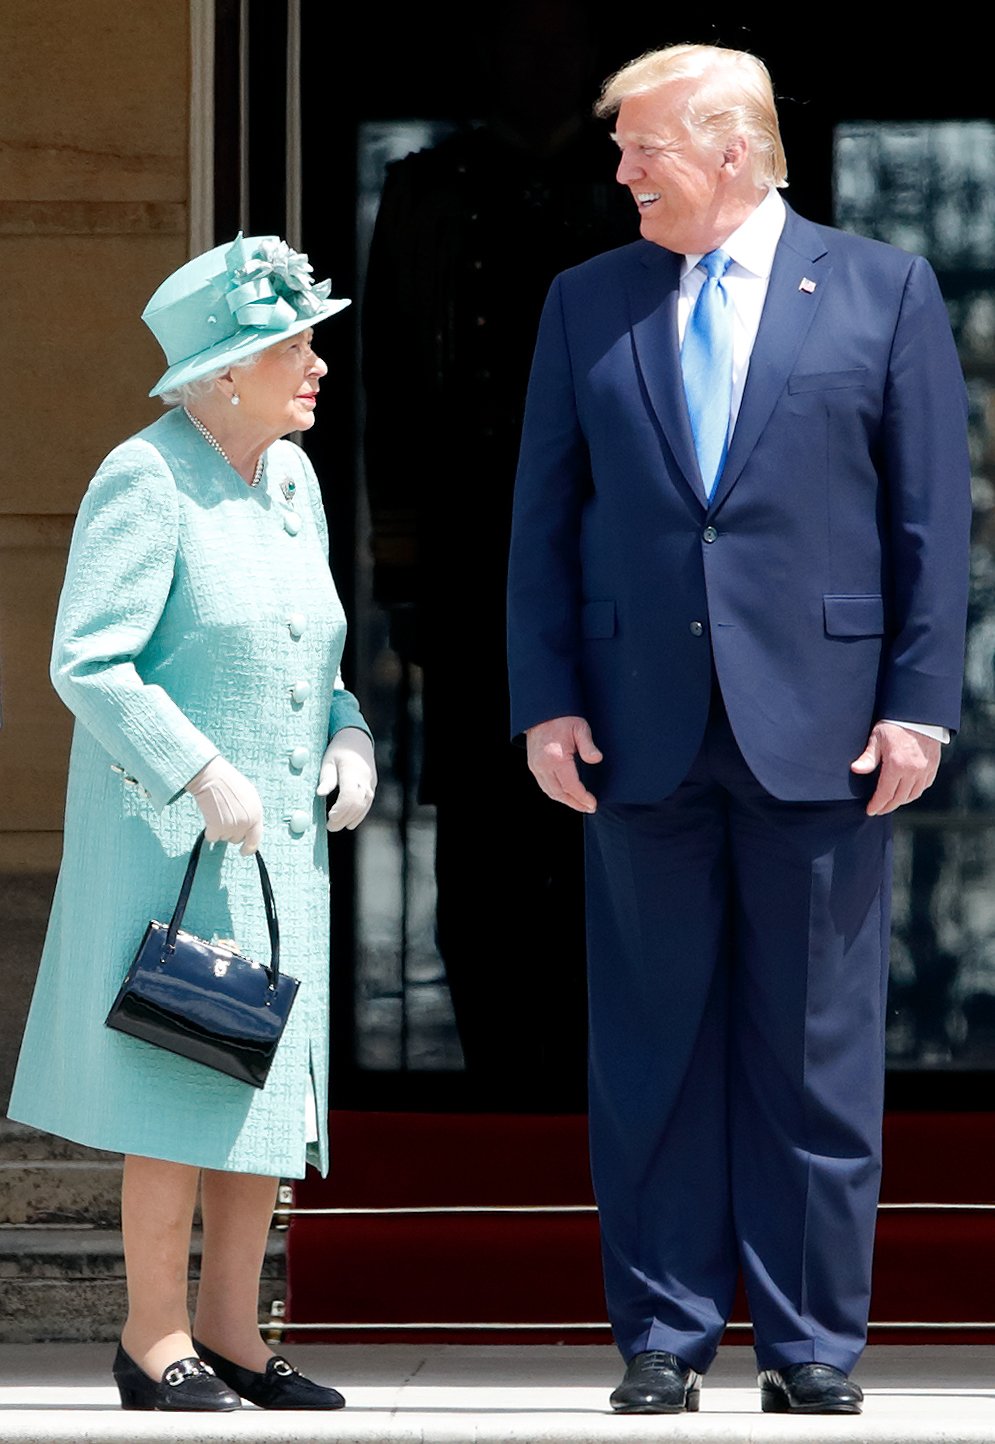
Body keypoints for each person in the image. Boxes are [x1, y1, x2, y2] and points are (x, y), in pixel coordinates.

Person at [506, 44, 972, 1415]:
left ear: (729, 148)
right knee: (649, 1050)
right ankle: (657, 1336)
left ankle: (809, 1344)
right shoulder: (585, 300)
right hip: (634, 728)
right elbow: (540, 521)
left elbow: (927, 524)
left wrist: (915, 705)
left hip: (825, 734)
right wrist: (542, 697)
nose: (617, 171)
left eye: (639, 146)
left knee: (815, 1057)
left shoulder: (883, 288)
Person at [7, 234, 376, 1412]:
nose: (316, 364)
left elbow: (316, 655)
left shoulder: (289, 480)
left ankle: (232, 1332)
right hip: (171, 841)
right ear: (222, 372)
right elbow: (90, 662)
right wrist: (195, 765)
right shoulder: (145, 475)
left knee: (257, 1088)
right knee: (175, 1081)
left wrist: (349, 733)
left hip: (279, 854)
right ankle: (150, 1333)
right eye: (293, 346)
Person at [361, 0, 632, 1106]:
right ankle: (496, 1080)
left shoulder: (632, 187)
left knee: (610, 830)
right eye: (511, 37)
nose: (531, 61)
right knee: (479, 835)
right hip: (475, 564)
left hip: (620, 566)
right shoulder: (431, 190)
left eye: (553, 39)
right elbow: (388, 393)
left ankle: (597, 1079)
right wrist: (405, 580)